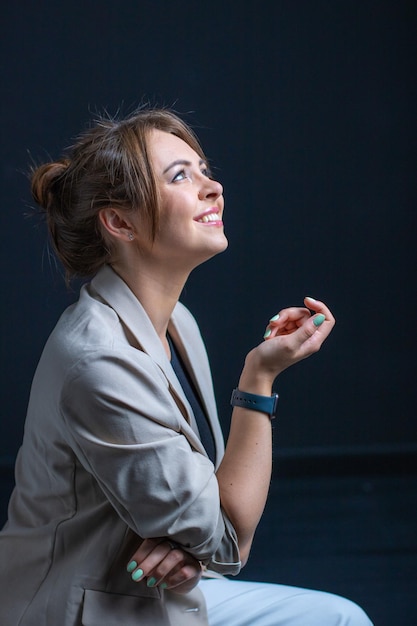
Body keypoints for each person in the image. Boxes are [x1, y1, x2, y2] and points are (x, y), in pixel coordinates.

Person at [0, 107, 373, 625]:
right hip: (85, 609)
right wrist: (258, 380)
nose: (212, 186)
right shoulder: (99, 361)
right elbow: (227, 540)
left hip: (159, 595)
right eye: (181, 176)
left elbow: (209, 523)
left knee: (340, 618)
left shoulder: (178, 321)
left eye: (204, 169)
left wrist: (191, 548)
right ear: (119, 222)